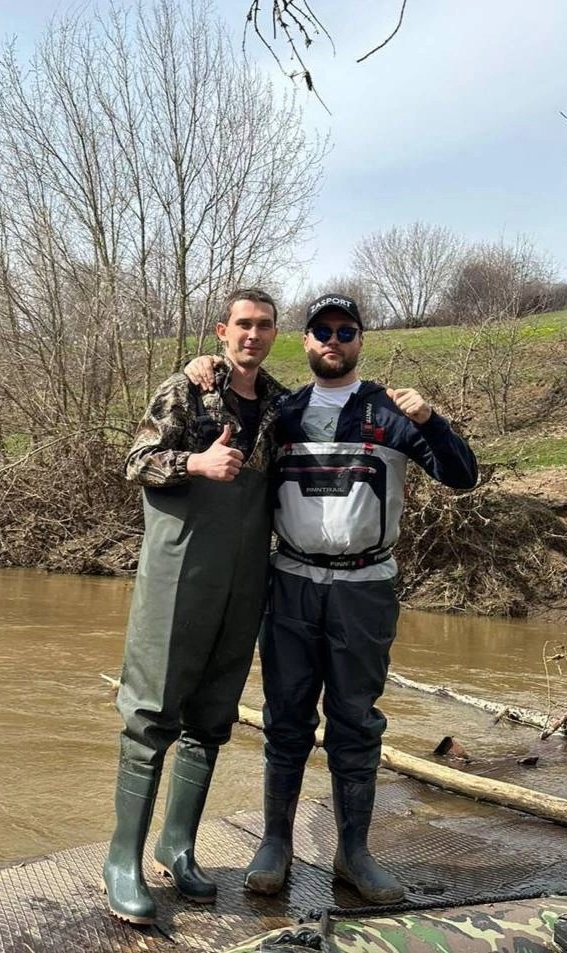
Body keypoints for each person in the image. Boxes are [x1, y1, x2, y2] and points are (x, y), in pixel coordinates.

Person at [185, 292, 478, 905]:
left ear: (360, 341)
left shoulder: (391, 412)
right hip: (289, 584)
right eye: (322, 331)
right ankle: (274, 844)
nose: (334, 341)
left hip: (364, 589)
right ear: (307, 340)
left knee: (355, 721)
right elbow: (216, 419)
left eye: (346, 331)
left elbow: (461, 475)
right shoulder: (282, 412)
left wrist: (430, 421)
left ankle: (354, 853)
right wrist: (199, 370)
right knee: (285, 717)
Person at [102, 288, 288, 926]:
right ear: (222, 330)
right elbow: (137, 461)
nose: (253, 335)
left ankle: (177, 844)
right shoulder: (185, 391)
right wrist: (197, 462)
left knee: (212, 717)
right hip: (178, 574)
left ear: (273, 334)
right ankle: (121, 859)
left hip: (244, 580)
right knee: (152, 715)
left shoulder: (280, 404)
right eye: (243, 324)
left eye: (264, 325)